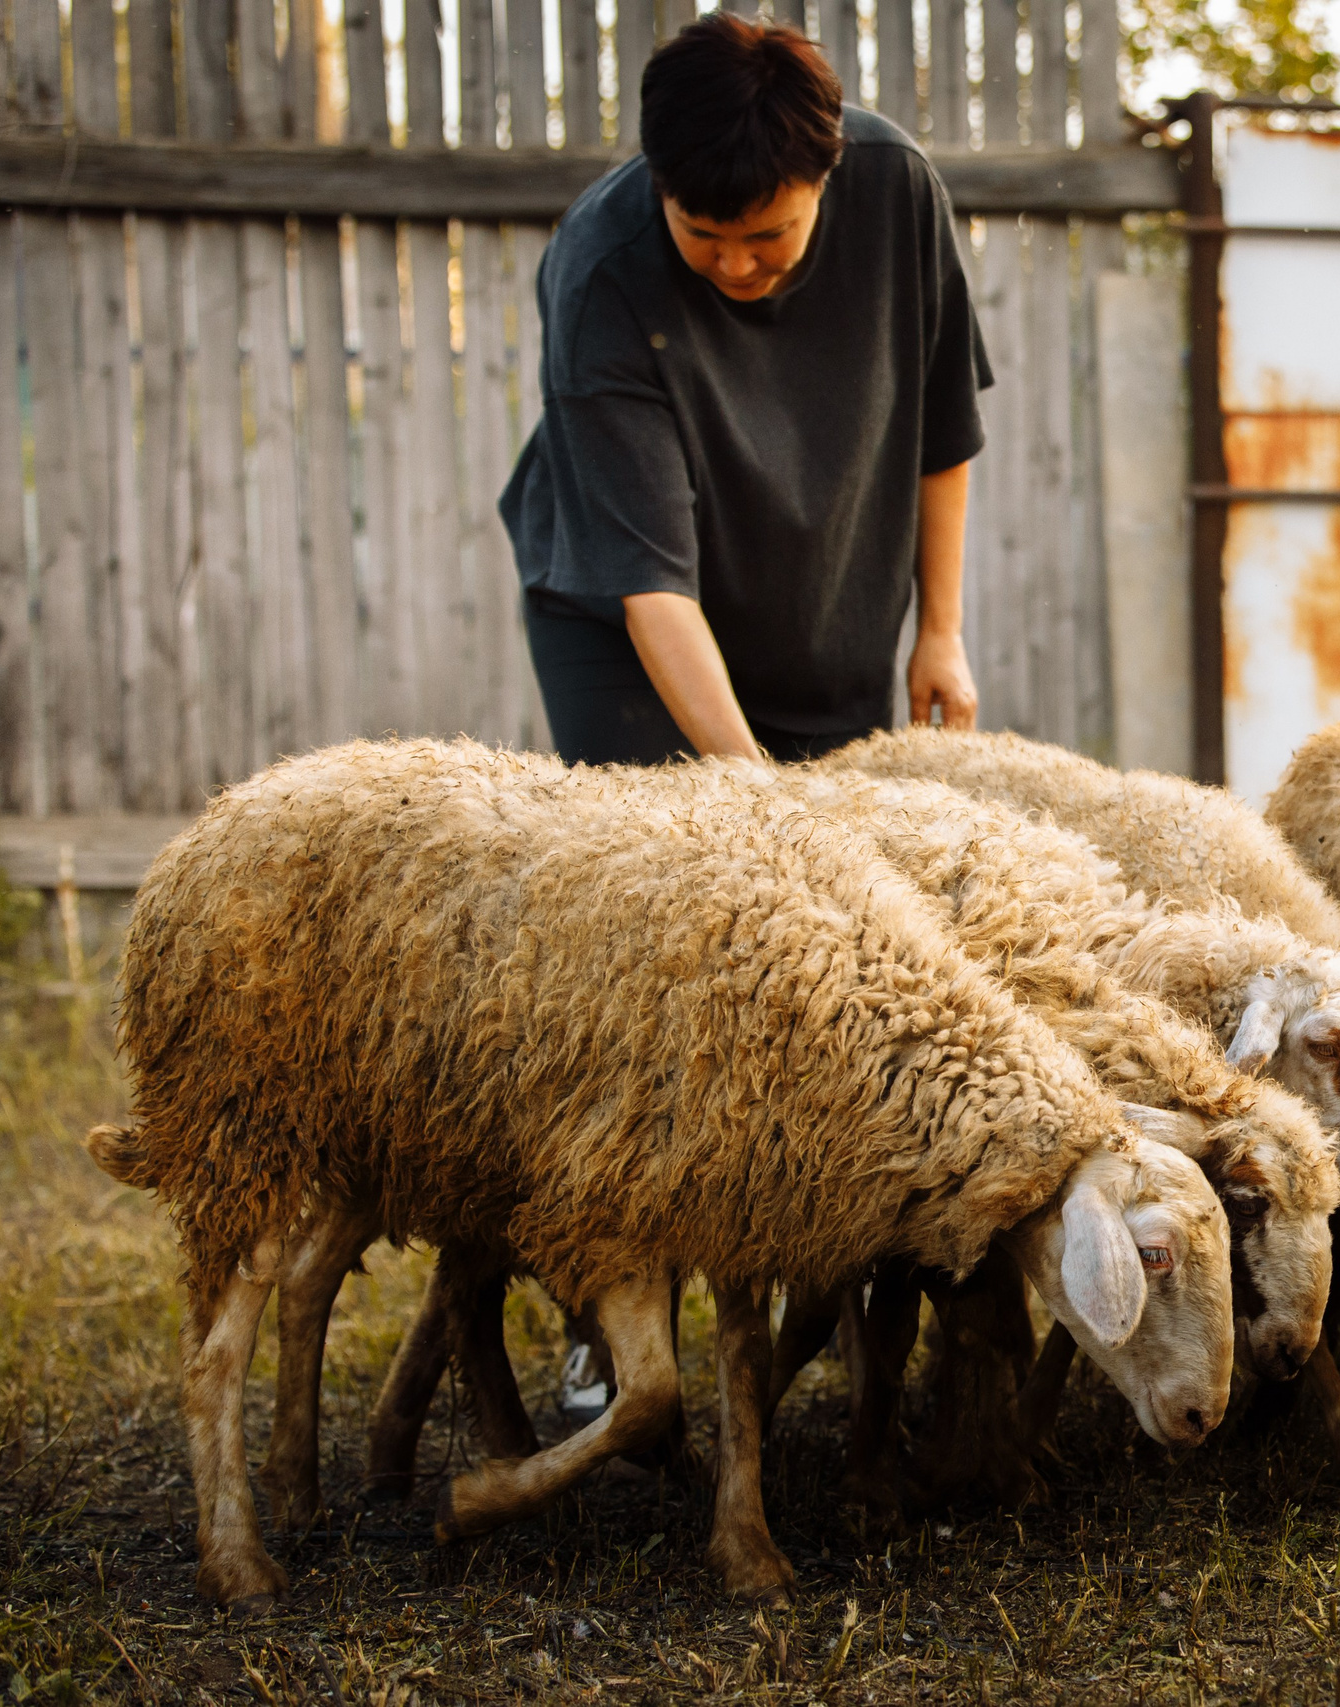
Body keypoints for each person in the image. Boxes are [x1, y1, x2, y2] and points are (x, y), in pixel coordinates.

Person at [499, 11, 990, 1422]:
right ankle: (609, 1308)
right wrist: (758, 794)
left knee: (845, 954)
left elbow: (944, 422)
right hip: (627, 626)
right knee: (658, 949)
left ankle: (810, 1272)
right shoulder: (600, 272)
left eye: (766, 239)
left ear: (826, 177)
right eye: (704, 238)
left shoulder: (897, 192)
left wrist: (939, 628)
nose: (735, 265)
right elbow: (654, 587)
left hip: (827, 584)